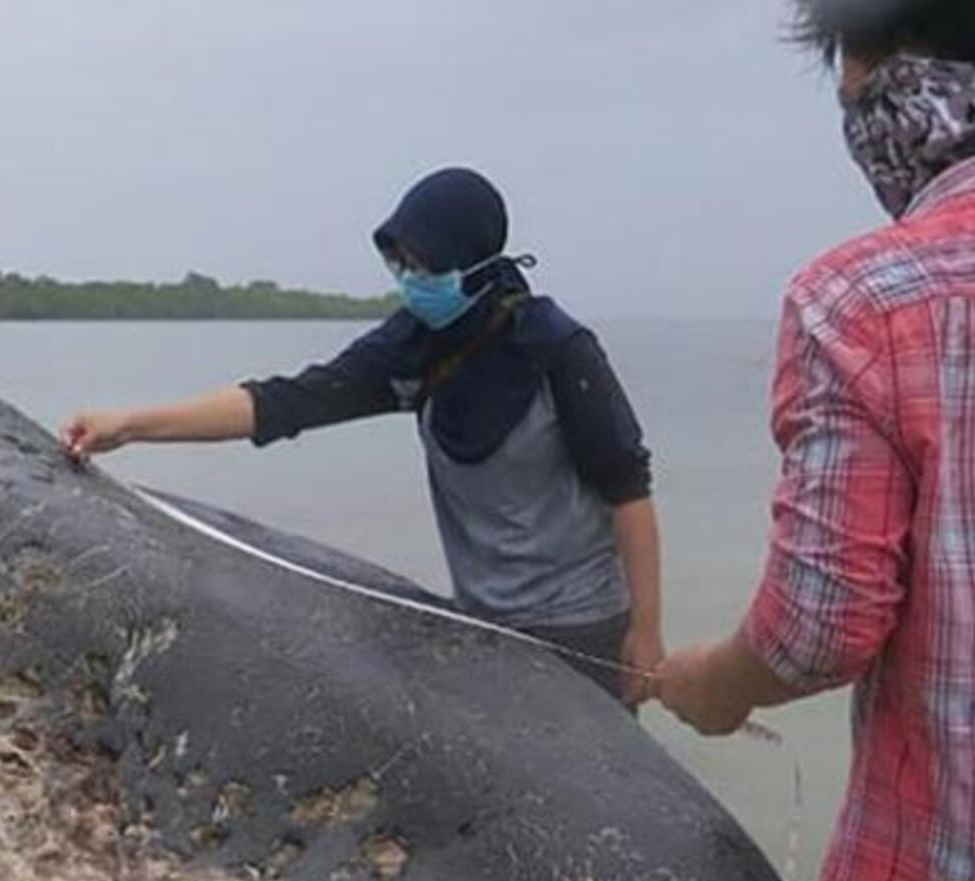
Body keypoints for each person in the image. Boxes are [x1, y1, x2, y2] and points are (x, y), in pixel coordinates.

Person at [653, 2, 975, 881]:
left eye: (850, 83)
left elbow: (820, 629)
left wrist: (714, 685)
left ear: (891, 76)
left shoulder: (865, 300)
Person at [60, 167, 662, 704]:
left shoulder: (558, 350)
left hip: (583, 627)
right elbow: (282, 403)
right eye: (398, 262)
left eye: (424, 265)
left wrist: (647, 630)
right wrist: (130, 426)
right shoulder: (413, 347)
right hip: (484, 624)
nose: (408, 279)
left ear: (471, 260)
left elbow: (628, 487)